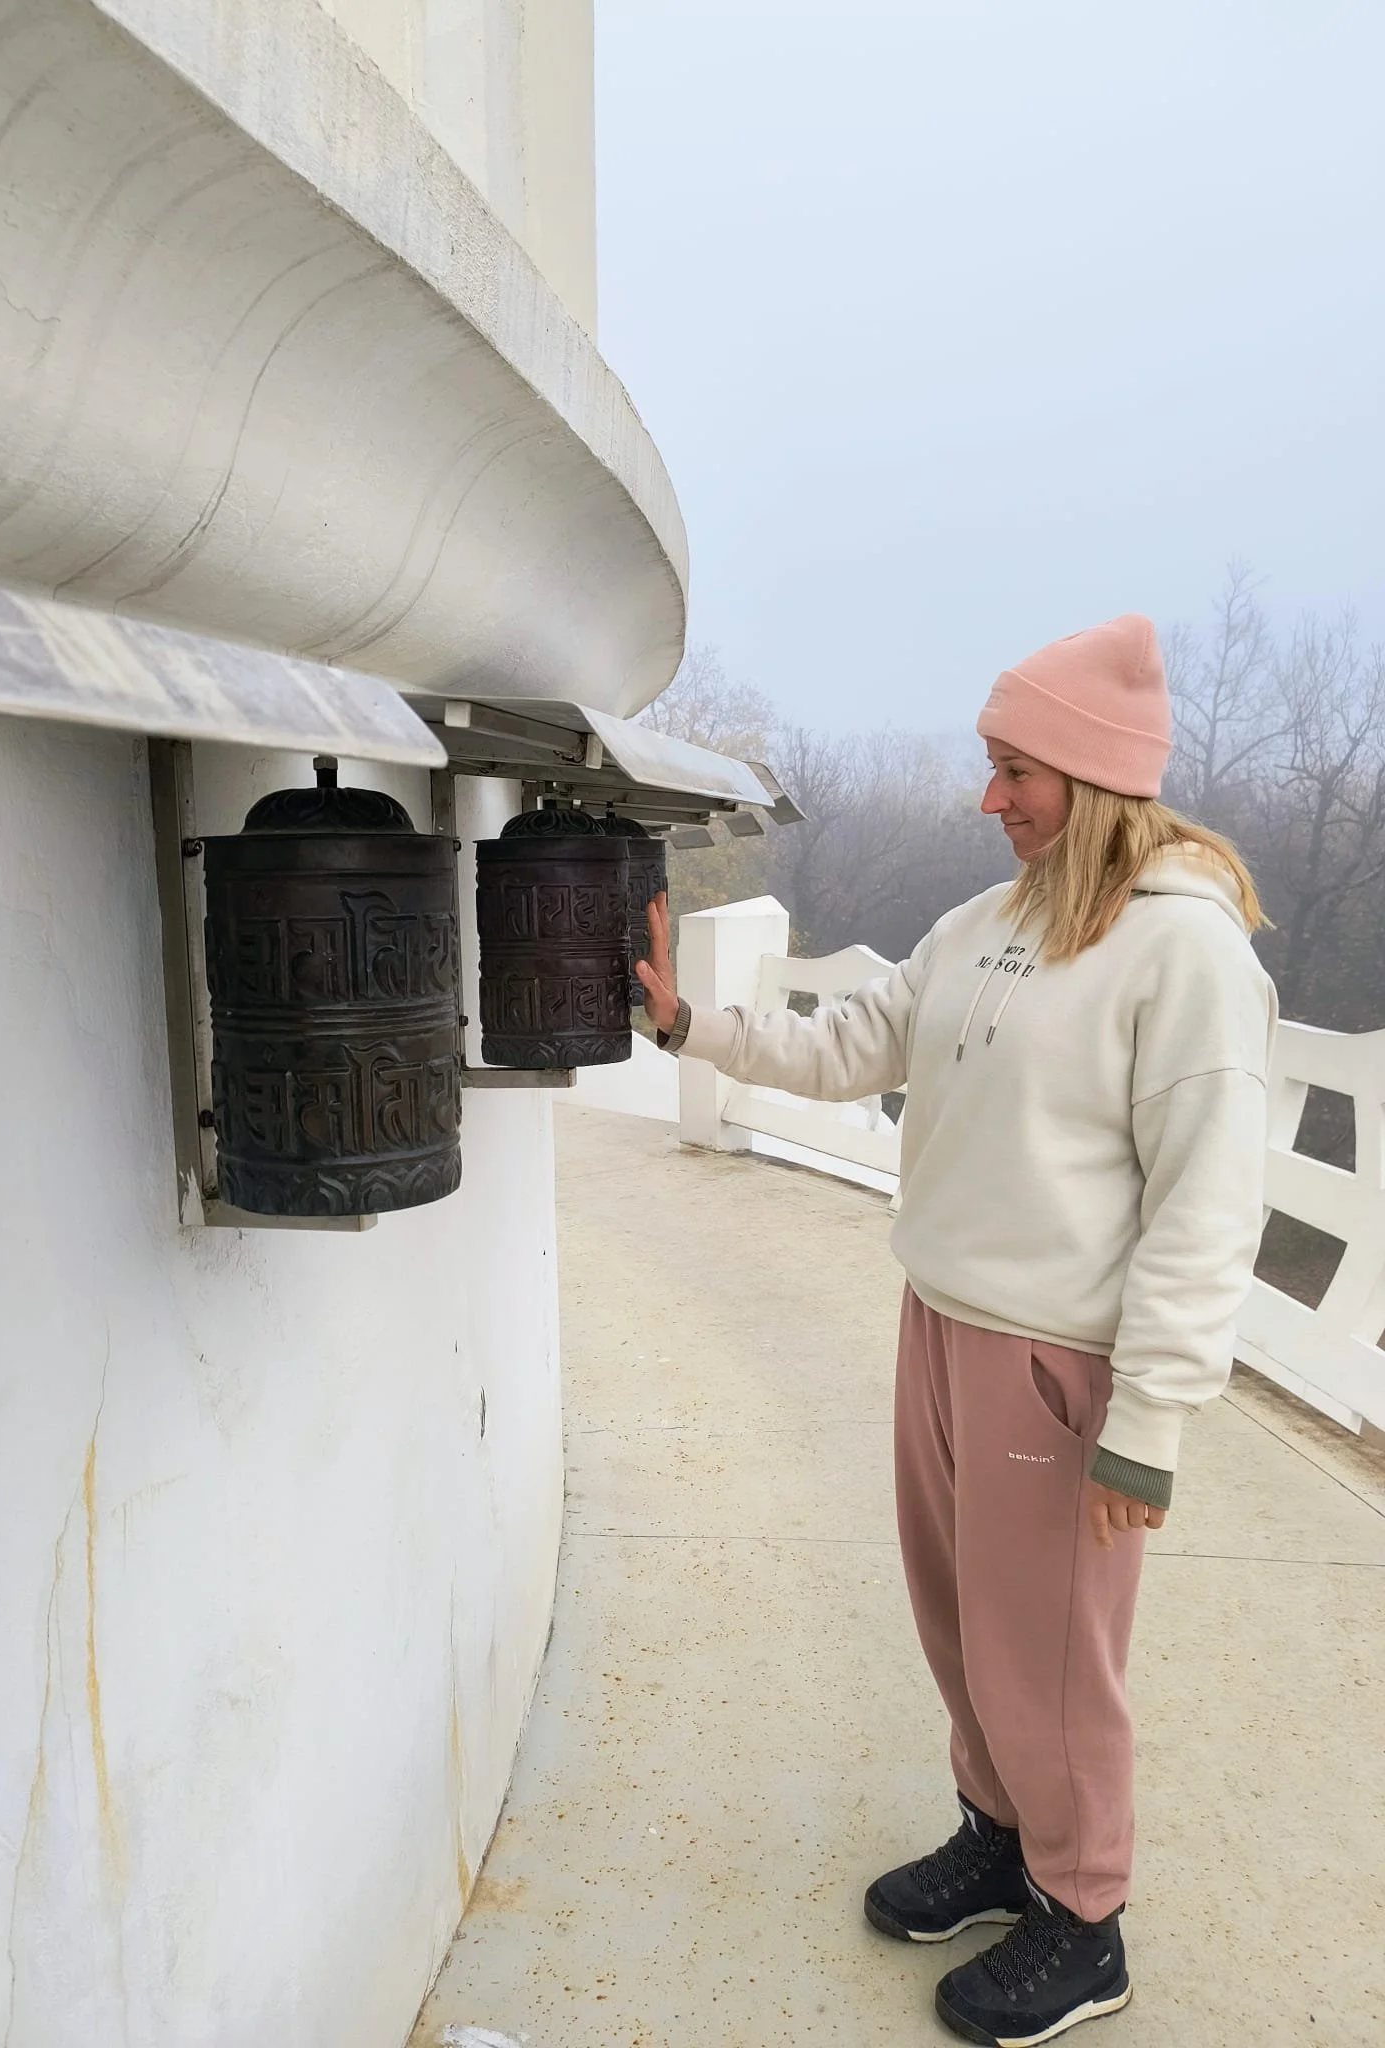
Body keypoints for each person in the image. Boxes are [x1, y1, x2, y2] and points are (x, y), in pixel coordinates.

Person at [636, 615, 1277, 2046]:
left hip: (1057, 1367)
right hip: (941, 1324)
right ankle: (999, 1835)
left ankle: (1086, 1919)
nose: (992, 799)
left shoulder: (1186, 954)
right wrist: (692, 1030)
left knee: (1052, 1658)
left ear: (1096, 776)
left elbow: (1206, 1207)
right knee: (965, 1627)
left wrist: (1149, 1428)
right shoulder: (985, 928)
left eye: (1016, 771)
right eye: (992, 769)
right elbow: (850, 1044)